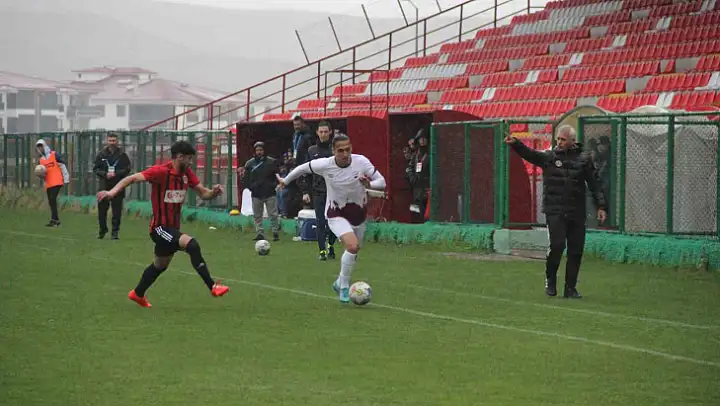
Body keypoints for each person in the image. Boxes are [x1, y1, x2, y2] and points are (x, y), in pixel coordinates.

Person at [96, 141, 229, 308]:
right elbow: (132, 178)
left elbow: (203, 194)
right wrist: (112, 192)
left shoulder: (186, 174)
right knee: (192, 245)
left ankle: (137, 294)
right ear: (179, 157)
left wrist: (214, 192)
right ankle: (213, 286)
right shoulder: (161, 172)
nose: (191, 162)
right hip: (159, 228)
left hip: (172, 229)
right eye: (189, 159)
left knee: (159, 266)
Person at [277, 134, 386, 303]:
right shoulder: (325, 165)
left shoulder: (361, 162)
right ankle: (344, 287)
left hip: (358, 214)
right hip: (336, 213)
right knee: (352, 246)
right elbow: (302, 168)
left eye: (347, 150)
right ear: (333, 151)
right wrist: (286, 180)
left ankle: (339, 282)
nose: (345, 154)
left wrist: (369, 185)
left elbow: (382, 182)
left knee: (354, 250)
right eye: (340, 151)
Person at [505, 125, 607, 299]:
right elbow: (531, 154)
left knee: (576, 250)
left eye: (563, 139)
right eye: (558, 139)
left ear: (573, 141)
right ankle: (550, 281)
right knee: (557, 246)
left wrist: (601, 206)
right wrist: (516, 144)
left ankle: (570, 288)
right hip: (555, 210)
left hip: (576, 211)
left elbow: (594, 183)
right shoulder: (550, 157)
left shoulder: (584, 159)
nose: (559, 142)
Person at [301, 121, 337, 261]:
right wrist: (305, 191)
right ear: (317, 133)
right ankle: (322, 251)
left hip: (334, 191)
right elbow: (306, 171)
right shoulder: (312, 151)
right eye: (321, 132)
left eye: (325, 132)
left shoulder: (335, 150)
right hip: (318, 191)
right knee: (320, 221)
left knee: (334, 221)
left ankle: (331, 245)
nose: (323, 134)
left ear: (330, 132)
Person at [237, 141, 280, 241]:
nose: (259, 152)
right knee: (257, 215)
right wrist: (251, 187)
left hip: (270, 193)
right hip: (256, 194)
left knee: (273, 214)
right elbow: (245, 178)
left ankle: (275, 232)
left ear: (264, 151)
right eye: (257, 150)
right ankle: (260, 233)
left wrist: (272, 186)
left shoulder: (272, 162)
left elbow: (277, 176)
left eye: (261, 150)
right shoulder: (250, 163)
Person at [93, 132, 131, 239]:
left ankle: (115, 232)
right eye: (110, 140)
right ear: (107, 141)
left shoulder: (122, 155)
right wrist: (105, 174)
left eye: (114, 141)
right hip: (104, 185)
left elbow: (127, 169)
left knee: (116, 211)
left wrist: (116, 174)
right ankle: (102, 229)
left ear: (117, 141)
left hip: (117, 185)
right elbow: (95, 169)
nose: (112, 143)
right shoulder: (101, 154)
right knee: (102, 211)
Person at [36, 139, 70, 227]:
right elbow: (41, 173)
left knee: (52, 199)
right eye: (38, 147)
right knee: (51, 201)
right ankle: (56, 220)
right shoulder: (41, 160)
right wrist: (40, 175)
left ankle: (54, 220)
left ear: (44, 146)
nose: (40, 148)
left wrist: (66, 179)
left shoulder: (54, 155)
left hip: (57, 181)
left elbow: (62, 166)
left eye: (41, 146)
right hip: (49, 183)